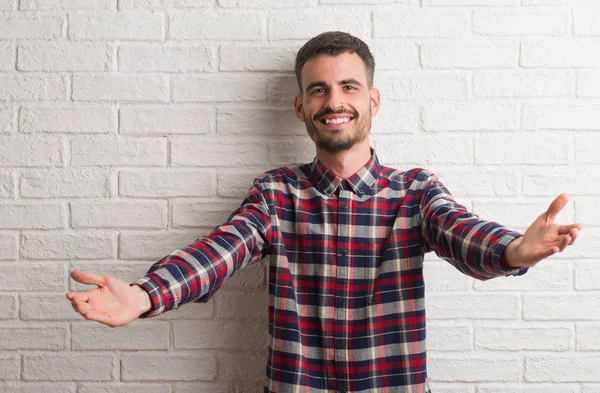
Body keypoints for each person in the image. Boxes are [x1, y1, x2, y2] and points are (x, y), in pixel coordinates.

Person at [66, 31, 582, 393]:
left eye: (348, 86)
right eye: (319, 89)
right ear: (301, 107)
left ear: (373, 100)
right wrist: (143, 294)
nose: (335, 101)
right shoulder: (275, 194)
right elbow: (219, 251)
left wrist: (514, 250)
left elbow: (460, 232)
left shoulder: (415, 191)